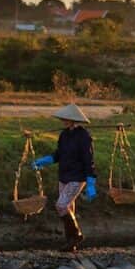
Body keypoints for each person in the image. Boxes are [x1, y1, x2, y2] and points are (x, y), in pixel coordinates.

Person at [33, 104, 97, 252]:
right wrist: (45, 160)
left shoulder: (84, 137)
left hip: (77, 176)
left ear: (74, 120)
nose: (64, 121)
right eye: (63, 119)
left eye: (67, 118)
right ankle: (71, 244)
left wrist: (90, 181)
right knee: (68, 208)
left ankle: (77, 235)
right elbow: (58, 154)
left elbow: (89, 159)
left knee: (61, 206)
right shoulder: (64, 135)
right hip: (64, 175)